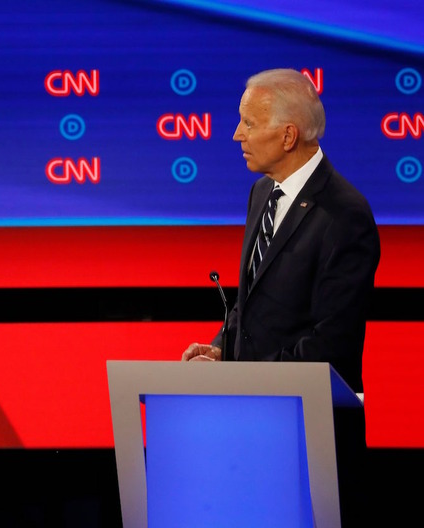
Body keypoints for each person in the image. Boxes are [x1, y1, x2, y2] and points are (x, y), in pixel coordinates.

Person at [182, 68, 380, 525]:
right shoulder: (261, 193)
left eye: (248, 123)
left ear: (288, 135)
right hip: (254, 428)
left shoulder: (344, 215)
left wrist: (243, 375)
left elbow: (333, 345)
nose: (236, 135)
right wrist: (221, 347)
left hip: (310, 435)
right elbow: (254, 300)